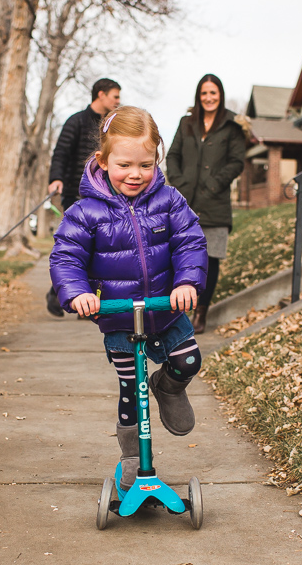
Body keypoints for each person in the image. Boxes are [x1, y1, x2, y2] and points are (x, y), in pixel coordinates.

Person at [49, 106, 207, 491]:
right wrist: (78, 293)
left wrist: (187, 282)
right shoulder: (85, 212)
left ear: (157, 159)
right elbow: (66, 257)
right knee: (130, 388)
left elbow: (190, 242)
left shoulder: (169, 201)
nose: (135, 174)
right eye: (124, 165)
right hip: (120, 319)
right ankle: (132, 457)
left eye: (145, 165)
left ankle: (168, 386)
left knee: (189, 360)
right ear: (102, 161)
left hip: (166, 314)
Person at [165, 74, 247, 335]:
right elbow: (173, 155)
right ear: (198, 96)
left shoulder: (232, 126)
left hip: (215, 204)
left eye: (213, 93)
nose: (209, 98)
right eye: (204, 93)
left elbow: (237, 161)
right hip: (184, 203)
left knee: (210, 261)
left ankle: (201, 312)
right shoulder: (186, 122)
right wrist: (178, 183)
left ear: (220, 94)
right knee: (178, 257)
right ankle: (180, 310)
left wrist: (214, 183)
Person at [44, 78, 121, 317]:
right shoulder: (76, 121)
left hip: (105, 194)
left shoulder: (112, 126)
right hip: (75, 195)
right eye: (115, 96)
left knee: (99, 248)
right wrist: (56, 178)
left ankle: (85, 301)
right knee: (80, 247)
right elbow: (61, 153)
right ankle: (59, 294)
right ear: (101, 95)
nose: (118, 101)